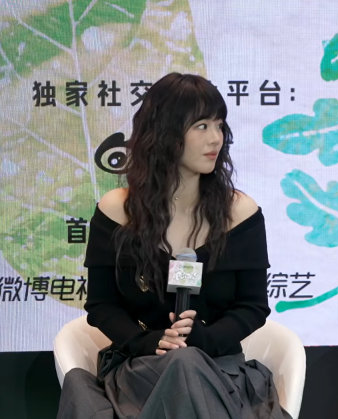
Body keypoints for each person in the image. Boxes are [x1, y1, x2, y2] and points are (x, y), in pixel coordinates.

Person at [57, 73, 290, 419]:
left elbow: (252, 307)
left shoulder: (240, 213)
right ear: (164, 133)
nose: (216, 138)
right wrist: (149, 342)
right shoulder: (117, 210)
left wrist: (204, 340)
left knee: (187, 363)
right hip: (140, 370)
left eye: (220, 125)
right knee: (179, 364)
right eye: (201, 126)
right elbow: (102, 305)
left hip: (220, 372)